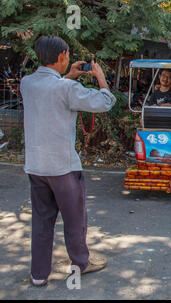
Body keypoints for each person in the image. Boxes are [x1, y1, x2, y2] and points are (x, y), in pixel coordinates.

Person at [20, 35, 116, 287]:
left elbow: (50, 90)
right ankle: (80, 263)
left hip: (35, 166)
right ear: (62, 56)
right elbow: (105, 102)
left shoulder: (26, 83)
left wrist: (69, 76)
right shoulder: (66, 88)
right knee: (74, 220)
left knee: (42, 221)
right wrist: (100, 78)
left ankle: (39, 275)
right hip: (63, 168)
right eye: (68, 55)